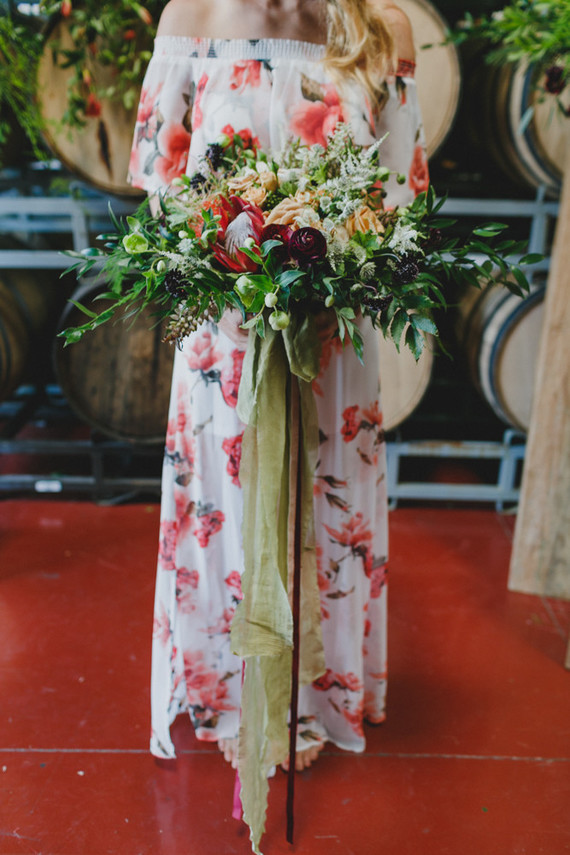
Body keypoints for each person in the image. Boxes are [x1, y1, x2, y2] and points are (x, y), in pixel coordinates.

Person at [128, 0, 426, 773]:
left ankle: (312, 693)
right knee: (230, 508)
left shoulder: (380, 24)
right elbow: (159, 183)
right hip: (224, 330)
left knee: (322, 502)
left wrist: (342, 280)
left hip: (332, 333)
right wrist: (224, 269)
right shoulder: (190, 15)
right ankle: (237, 693)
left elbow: (401, 195)